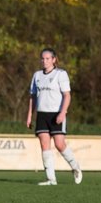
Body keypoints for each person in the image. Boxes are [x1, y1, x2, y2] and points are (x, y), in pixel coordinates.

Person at [26, 47, 83, 186]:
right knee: (45, 145)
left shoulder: (60, 74)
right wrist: (29, 116)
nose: (44, 61)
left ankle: (76, 167)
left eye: (47, 58)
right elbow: (33, 97)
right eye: (42, 58)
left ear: (54, 59)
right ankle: (51, 179)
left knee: (59, 144)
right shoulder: (37, 75)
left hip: (56, 113)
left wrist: (63, 112)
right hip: (42, 114)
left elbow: (67, 95)